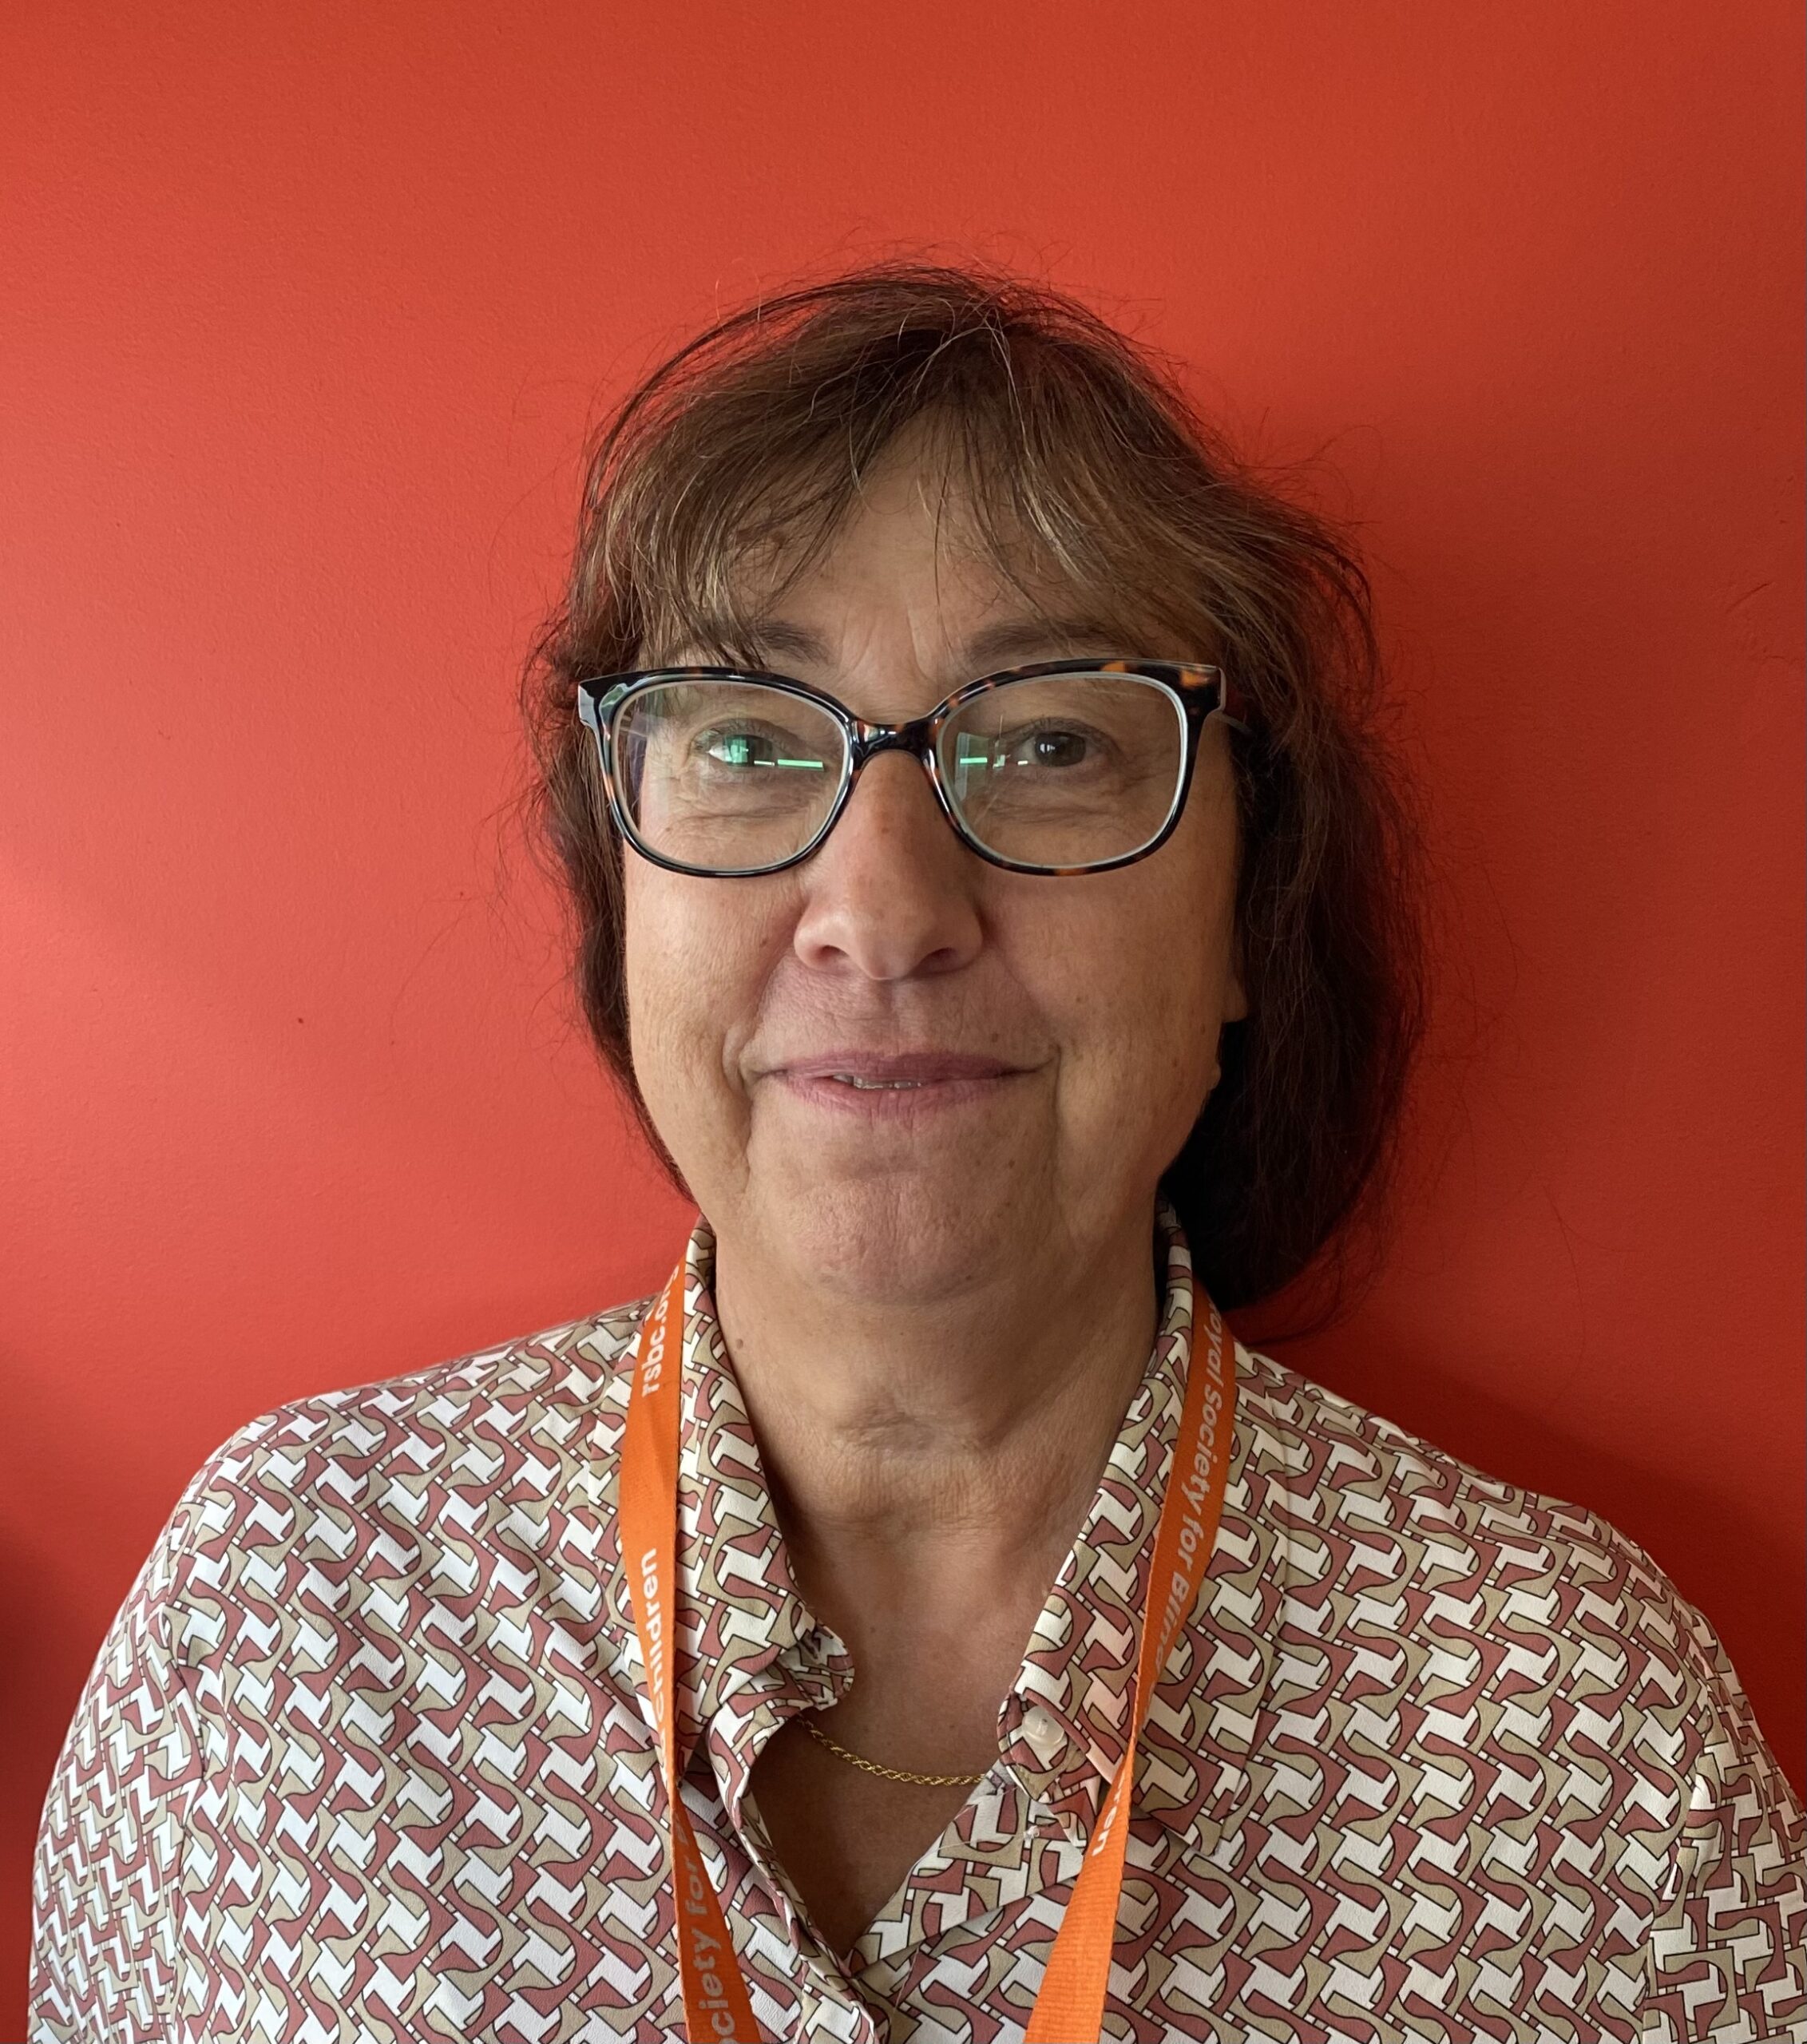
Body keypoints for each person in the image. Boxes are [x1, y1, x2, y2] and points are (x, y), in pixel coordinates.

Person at [31, 264, 1805, 2043]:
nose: (880, 909)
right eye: (742, 735)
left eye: (1046, 740)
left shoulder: (1571, 1734)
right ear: (619, 895)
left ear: (1252, 914)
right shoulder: (286, 1616)